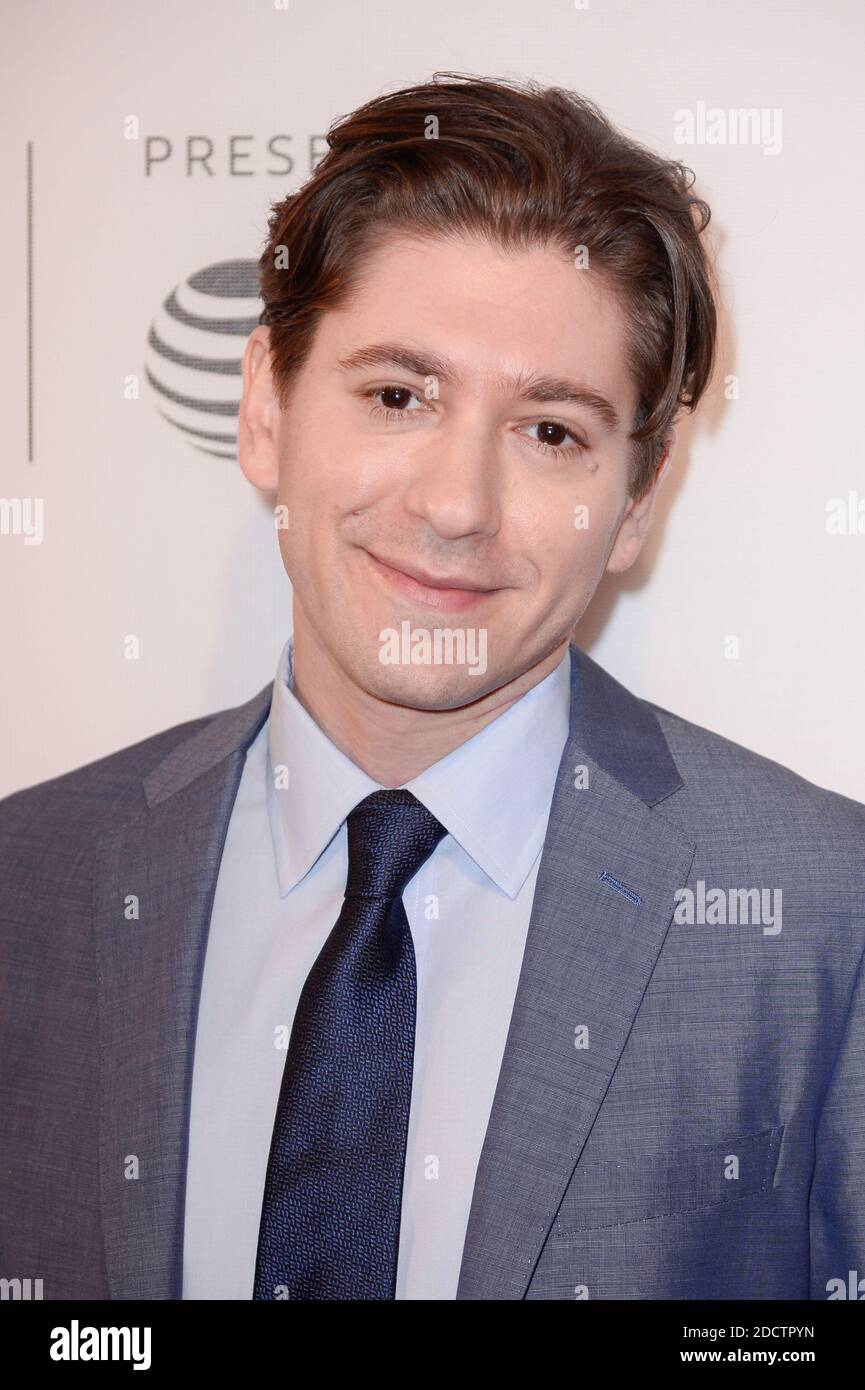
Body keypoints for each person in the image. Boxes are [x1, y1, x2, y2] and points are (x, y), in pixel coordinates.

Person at [1, 73, 863, 1302]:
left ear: (635, 501)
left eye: (551, 431)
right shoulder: (29, 881)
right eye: (397, 396)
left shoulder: (824, 916)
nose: (457, 505)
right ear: (264, 405)